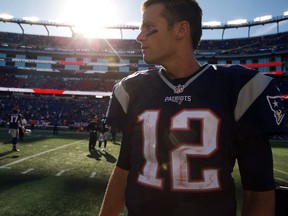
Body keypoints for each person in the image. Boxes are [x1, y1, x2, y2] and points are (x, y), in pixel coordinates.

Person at [99, 0, 288, 216]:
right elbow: (124, 170)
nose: (139, 37)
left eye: (150, 28)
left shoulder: (238, 88)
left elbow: (259, 192)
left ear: (181, 29)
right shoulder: (133, 88)